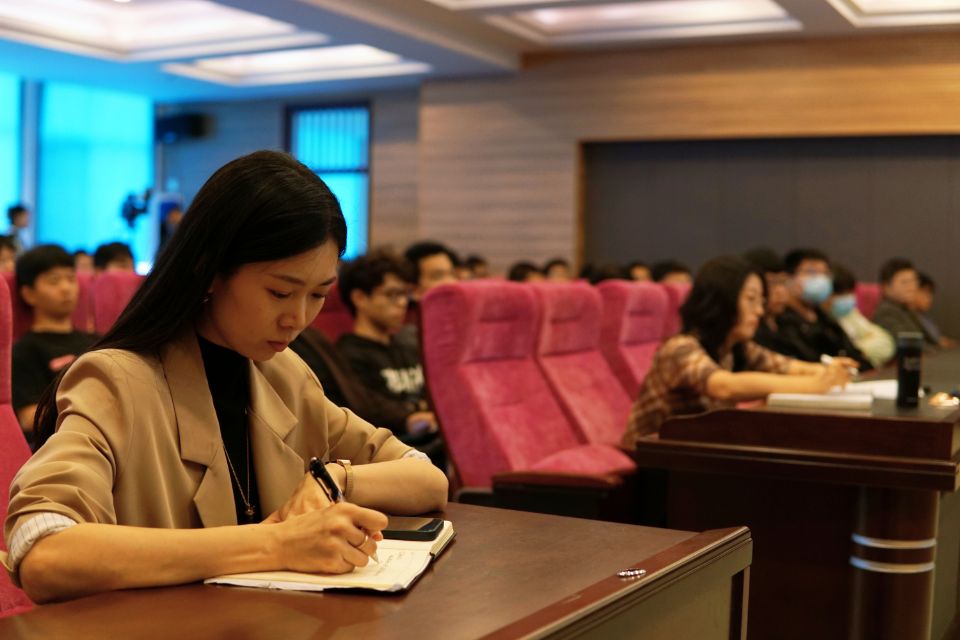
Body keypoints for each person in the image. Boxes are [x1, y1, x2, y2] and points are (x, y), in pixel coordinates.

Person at [3, 151, 448, 604]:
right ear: (210, 272)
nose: (297, 319)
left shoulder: (282, 374)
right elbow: (44, 552)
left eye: (318, 295)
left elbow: (427, 478)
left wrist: (333, 479)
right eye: (280, 292)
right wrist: (277, 543)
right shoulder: (116, 381)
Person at [622, 256, 856, 447]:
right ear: (722, 300)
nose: (759, 311)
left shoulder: (736, 347)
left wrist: (828, 369)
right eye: (751, 300)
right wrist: (814, 385)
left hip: (695, 452)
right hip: (650, 462)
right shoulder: (680, 347)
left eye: (761, 302)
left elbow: (788, 366)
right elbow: (724, 386)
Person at [334, 251, 444, 467]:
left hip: (430, 441)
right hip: (391, 454)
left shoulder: (408, 345)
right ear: (360, 298)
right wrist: (410, 417)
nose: (402, 302)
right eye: (392, 294)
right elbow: (367, 409)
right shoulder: (346, 354)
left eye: (405, 294)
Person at [11, 245, 98, 435]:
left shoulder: (97, 342)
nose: (66, 288)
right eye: (54, 281)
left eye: (71, 278)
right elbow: (30, 417)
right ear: (29, 294)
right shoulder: (23, 351)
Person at [758, 248, 871, 370]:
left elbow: (855, 355)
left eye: (824, 273)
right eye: (811, 272)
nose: (820, 279)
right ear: (789, 278)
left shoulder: (825, 317)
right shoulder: (780, 321)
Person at [828, 265, 894, 369]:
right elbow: (843, 354)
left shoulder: (850, 313)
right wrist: (859, 350)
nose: (847, 297)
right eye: (841, 294)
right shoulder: (823, 321)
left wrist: (858, 349)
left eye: (850, 292)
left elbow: (885, 342)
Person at [872, 257, 939, 350]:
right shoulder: (886, 312)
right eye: (905, 282)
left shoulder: (906, 309)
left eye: (914, 281)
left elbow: (929, 340)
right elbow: (907, 344)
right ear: (886, 287)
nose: (911, 287)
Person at [913, 272, 956, 349]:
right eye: (925, 293)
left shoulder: (924, 317)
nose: (930, 299)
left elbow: (938, 339)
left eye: (931, 294)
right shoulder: (906, 317)